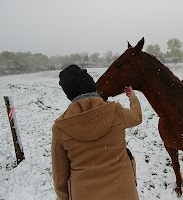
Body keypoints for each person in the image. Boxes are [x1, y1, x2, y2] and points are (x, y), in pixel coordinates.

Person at [51, 64, 142, 200]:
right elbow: (137, 117)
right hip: (124, 191)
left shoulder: (60, 127)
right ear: (91, 84)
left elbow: (60, 178)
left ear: (69, 94)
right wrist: (133, 98)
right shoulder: (116, 111)